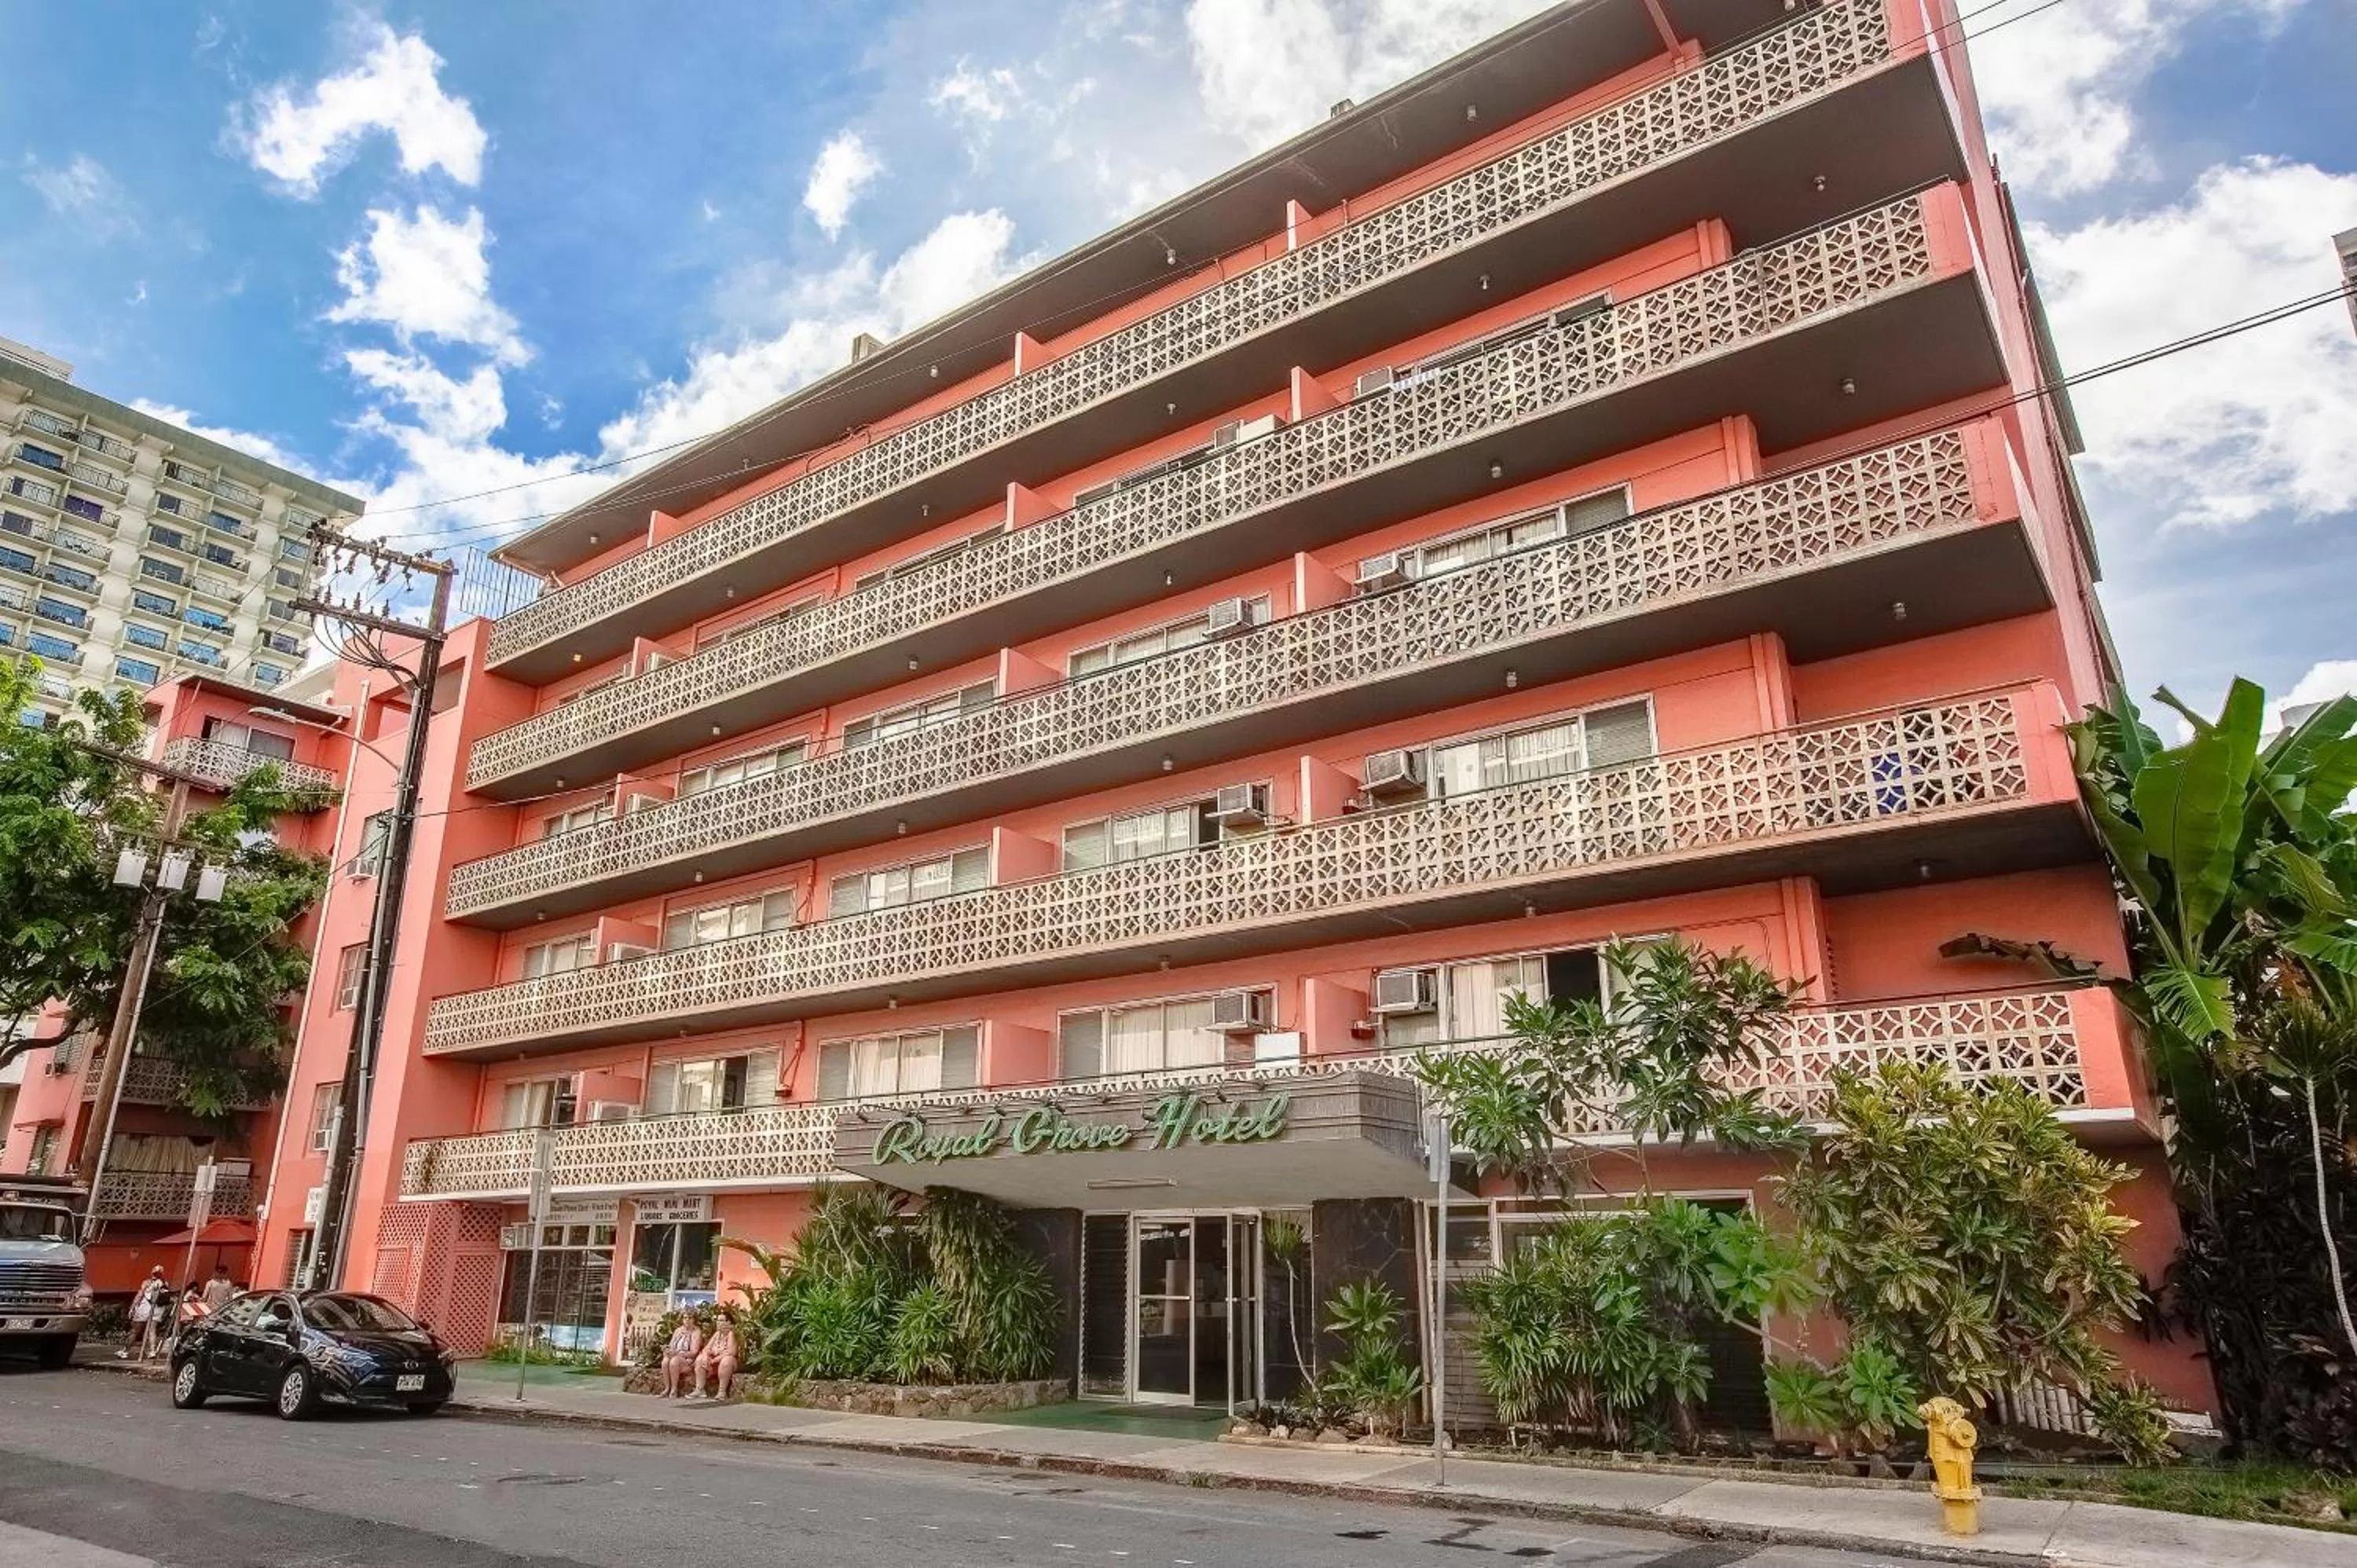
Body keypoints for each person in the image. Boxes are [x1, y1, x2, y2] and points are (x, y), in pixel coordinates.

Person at [691, 1306, 739, 1402]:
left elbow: (731, 1352)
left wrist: (715, 1360)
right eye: (717, 1321)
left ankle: (722, 1392)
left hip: (728, 1363)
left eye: (721, 1321)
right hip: (714, 1362)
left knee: (727, 1360)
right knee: (700, 1358)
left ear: (729, 1323)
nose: (718, 1323)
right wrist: (706, 1355)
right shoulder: (717, 1334)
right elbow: (706, 1348)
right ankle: (699, 1389)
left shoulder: (731, 1334)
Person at [121, 1268, 169, 1361]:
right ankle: (152, 1351)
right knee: (152, 1330)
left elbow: (140, 1295)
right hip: (158, 1309)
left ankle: (125, 1352)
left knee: (135, 1330)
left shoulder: (147, 1282)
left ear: (152, 1273)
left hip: (145, 1308)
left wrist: (132, 1308)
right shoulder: (165, 1284)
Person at [658, 1311, 704, 1399]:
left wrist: (678, 1354)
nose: (687, 1320)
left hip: (688, 1360)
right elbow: (671, 1346)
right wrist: (667, 1350)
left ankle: (674, 1389)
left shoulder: (696, 1332)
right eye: (685, 1318)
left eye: (690, 1318)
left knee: (674, 1361)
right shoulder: (678, 1330)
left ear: (694, 1320)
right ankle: (667, 1388)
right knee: (665, 1361)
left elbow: (694, 1352)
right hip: (675, 1355)